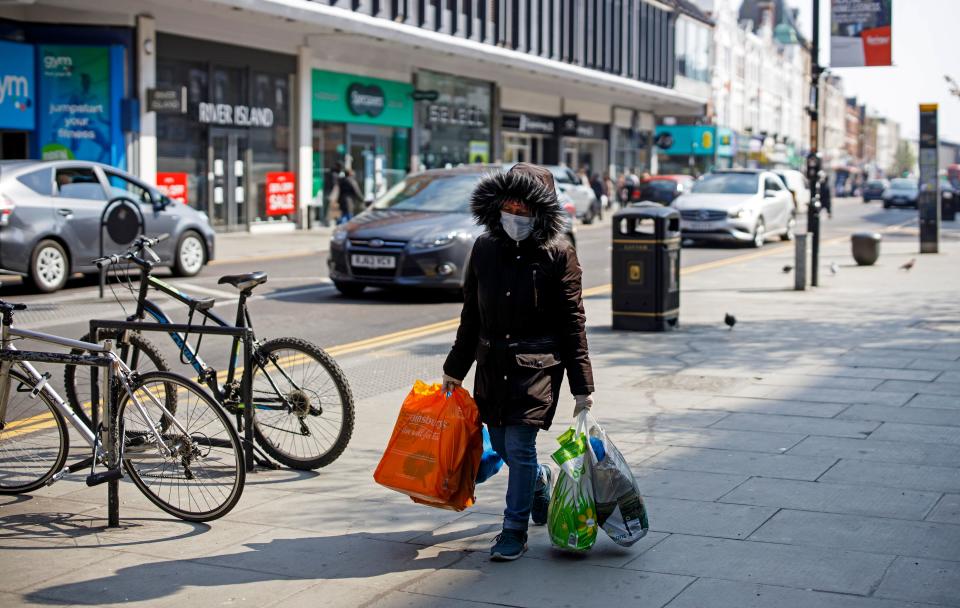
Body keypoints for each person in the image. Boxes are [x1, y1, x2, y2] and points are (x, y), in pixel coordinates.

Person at [441, 163, 595, 562]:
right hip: (492, 364)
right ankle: (540, 483)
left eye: (523, 209)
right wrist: (454, 369)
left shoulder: (559, 253)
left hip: (536, 366)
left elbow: (573, 322)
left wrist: (582, 386)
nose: (515, 216)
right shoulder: (484, 248)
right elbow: (470, 315)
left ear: (540, 211)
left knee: (520, 447)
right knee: (504, 446)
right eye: (508, 207)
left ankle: (514, 530)